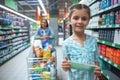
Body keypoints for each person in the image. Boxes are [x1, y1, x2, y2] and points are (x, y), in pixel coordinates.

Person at [61, 3, 101, 80]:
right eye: (76, 18)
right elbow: (65, 67)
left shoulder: (93, 41)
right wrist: (64, 67)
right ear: (69, 20)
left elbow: (97, 63)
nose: (80, 21)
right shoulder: (66, 44)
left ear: (88, 20)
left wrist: (98, 70)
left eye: (84, 19)